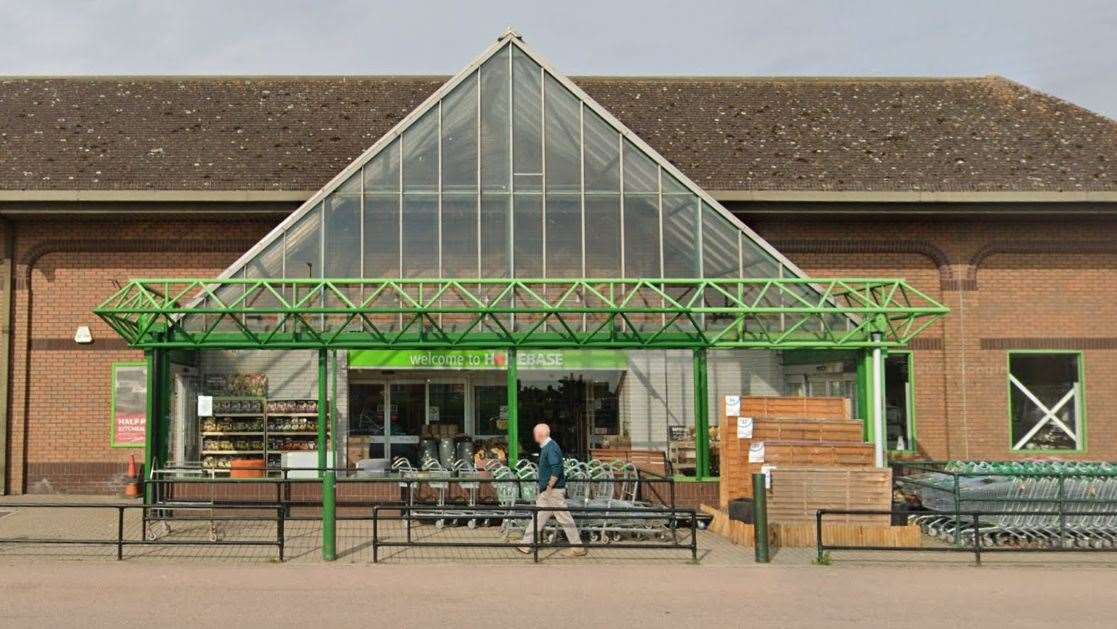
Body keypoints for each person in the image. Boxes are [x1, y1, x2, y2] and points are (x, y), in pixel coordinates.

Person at [517, 423, 587, 557]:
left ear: (540, 434)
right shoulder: (548, 447)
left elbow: (556, 468)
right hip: (549, 490)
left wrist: (549, 486)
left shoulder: (550, 448)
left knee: (564, 518)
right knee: (539, 516)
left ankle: (577, 547)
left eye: (535, 433)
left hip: (553, 490)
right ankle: (526, 543)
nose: (534, 436)